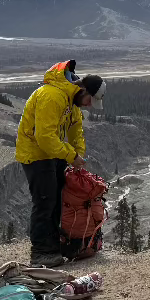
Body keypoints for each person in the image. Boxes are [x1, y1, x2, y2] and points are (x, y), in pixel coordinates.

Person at [15, 60, 105, 268]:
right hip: (35, 154)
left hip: (53, 153)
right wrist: (70, 156)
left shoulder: (70, 101)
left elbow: (76, 132)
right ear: (83, 89)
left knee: (57, 200)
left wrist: (77, 156)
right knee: (45, 202)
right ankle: (41, 253)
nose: (89, 105)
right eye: (90, 100)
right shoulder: (52, 96)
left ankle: (54, 245)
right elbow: (44, 136)